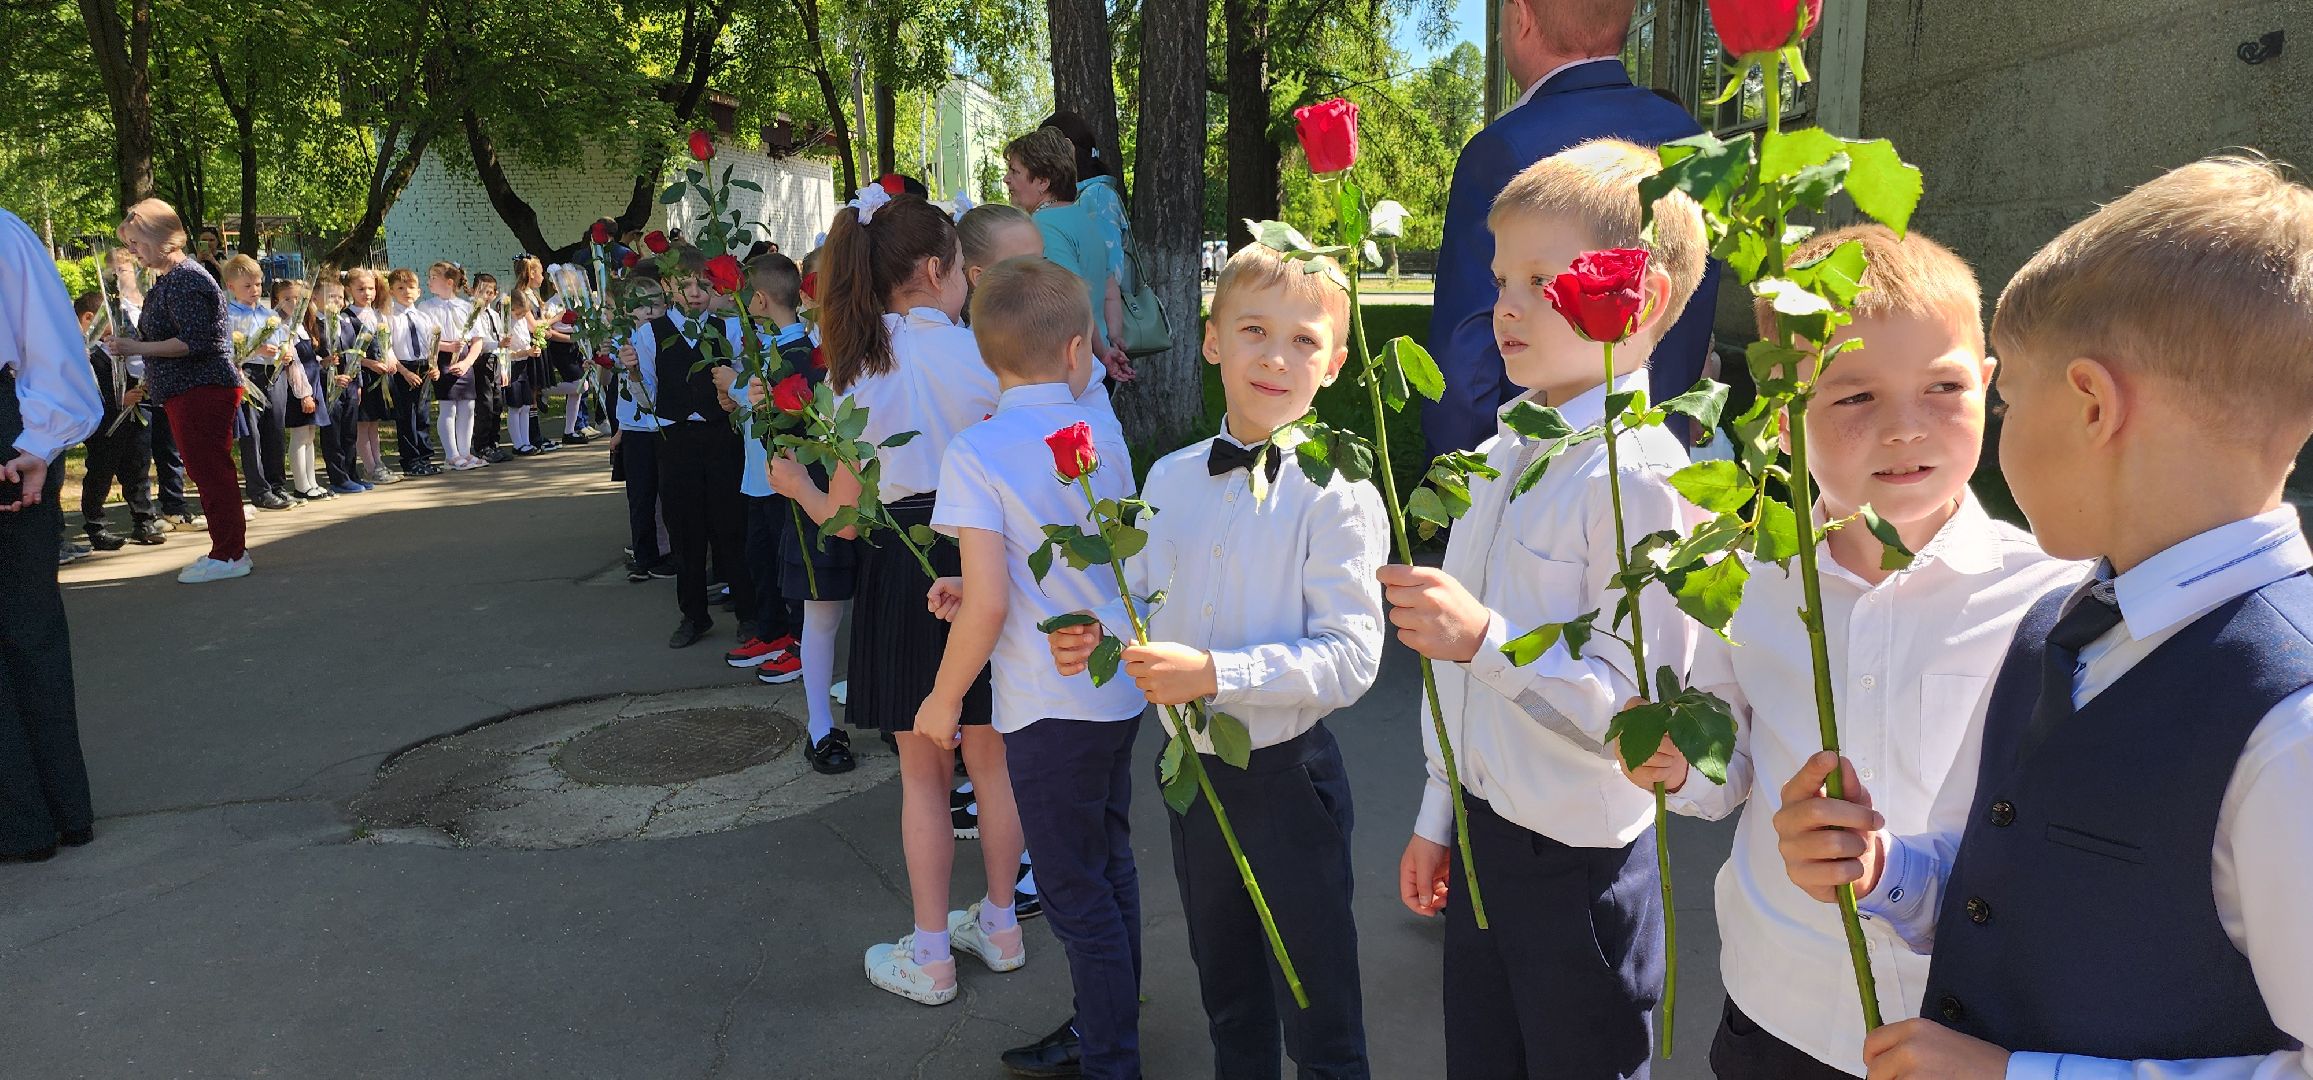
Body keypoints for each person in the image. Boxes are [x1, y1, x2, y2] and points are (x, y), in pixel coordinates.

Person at [1776, 156, 2313, 1080]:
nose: (1997, 432)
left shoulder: (2288, 725)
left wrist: (2014, 1076)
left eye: (2007, 401)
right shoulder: (2060, 628)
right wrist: (1887, 868)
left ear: (2092, 404)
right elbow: (2017, 883)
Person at [1619, 225, 2083, 1078]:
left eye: (1942, 387)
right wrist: (1679, 766)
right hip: (1773, 1007)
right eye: (1853, 398)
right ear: (1783, 423)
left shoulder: (2052, 597)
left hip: (1950, 1026)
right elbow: (1729, 773)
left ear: (1989, 388)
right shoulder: (1749, 583)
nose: (1906, 430)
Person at [1381, 139, 1708, 1077]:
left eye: (1536, 278)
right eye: (1499, 278)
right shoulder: (1506, 449)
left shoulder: (1641, 484)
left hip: (1578, 875)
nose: (1504, 306)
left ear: (1634, 297)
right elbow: (1460, 686)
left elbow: (1637, 725)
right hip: (1488, 839)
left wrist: (1483, 639)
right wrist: (1439, 812)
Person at [1043, 243, 1387, 1079]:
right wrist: (1092, 632)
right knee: (1227, 993)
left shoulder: (1337, 494)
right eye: (1254, 331)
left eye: (1304, 341)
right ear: (1211, 341)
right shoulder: (1168, 479)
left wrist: (1217, 674)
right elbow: (1145, 604)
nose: (1275, 357)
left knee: (1317, 1006)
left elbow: (1351, 657)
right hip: (1193, 777)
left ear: (1335, 364)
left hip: (1286, 780)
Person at [766, 194, 1017, 1008]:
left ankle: (934, 954)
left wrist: (799, 487)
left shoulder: (858, 369)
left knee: (921, 771)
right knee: (991, 758)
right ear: (939, 270)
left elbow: (842, 518)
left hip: (904, 561)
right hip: (987, 558)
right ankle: (1004, 925)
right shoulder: (985, 351)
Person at [912, 256, 1139, 1064]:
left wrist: (943, 699)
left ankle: (1110, 1053)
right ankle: (1108, 1029)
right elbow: (1068, 558)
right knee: (1108, 870)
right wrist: (967, 584)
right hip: (1117, 690)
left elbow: (994, 602)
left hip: (1047, 705)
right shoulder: (1100, 431)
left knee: (1078, 893)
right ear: (1077, 350)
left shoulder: (977, 449)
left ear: (982, 353)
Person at [1424, 0, 1718, 461]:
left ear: (1520, 15)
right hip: (1660, 453)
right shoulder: (1694, 142)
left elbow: (1466, 347)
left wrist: (1460, 482)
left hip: (1531, 468)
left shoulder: (1503, 147)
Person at [0, 206, 102, 863]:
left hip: (10, 429)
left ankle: (40, 816)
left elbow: (50, 345)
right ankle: (39, 815)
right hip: (14, 427)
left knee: (27, 623)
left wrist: (37, 440)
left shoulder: (4, 231)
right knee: (27, 625)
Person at [104, 198, 252, 583]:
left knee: (211, 470)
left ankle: (230, 554)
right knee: (206, 470)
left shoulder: (187, 278)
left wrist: (136, 348)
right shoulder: (171, 279)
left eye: (136, 241)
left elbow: (193, 342)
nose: (133, 251)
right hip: (187, 388)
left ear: (158, 238)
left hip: (202, 387)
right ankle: (227, 549)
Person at [616, 245, 753, 648]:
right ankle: (693, 614)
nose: (695, 292)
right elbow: (646, 399)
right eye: (685, 284)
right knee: (684, 530)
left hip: (721, 436)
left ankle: (748, 610)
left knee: (732, 525)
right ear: (666, 286)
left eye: (703, 284)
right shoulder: (649, 333)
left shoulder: (728, 329)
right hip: (676, 439)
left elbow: (742, 384)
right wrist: (634, 372)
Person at [723, 251, 807, 682]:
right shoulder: (769, 344)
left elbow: (780, 408)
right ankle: (772, 630)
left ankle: (799, 638)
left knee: (786, 561)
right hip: (759, 474)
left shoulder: (795, 349)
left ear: (759, 300)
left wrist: (732, 391)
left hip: (783, 477)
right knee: (760, 556)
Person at [1003, 128, 1131, 381]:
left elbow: (1074, 299)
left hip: (1071, 368)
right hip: (1092, 360)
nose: (1007, 179)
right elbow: (1109, 289)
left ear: (1043, 181)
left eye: (1015, 171)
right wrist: (1111, 339)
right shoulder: (1083, 217)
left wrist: (1102, 352)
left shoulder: (1044, 225)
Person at [1039, 111, 1138, 383]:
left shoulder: (1096, 196)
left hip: (1100, 338)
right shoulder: (1083, 197)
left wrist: (1108, 340)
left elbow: (1109, 272)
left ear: (1067, 148)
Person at [73, 291, 165, 549]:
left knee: (137, 468)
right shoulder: (84, 353)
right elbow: (87, 390)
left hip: (134, 416)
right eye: (111, 317)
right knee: (101, 472)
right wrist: (118, 401)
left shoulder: (121, 346)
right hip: (104, 424)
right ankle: (95, 525)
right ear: (90, 319)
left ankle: (144, 520)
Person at [222, 255, 295, 510]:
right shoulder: (228, 315)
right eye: (247, 286)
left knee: (275, 429)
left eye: (257, 285)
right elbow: (227, 349)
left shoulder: (267, 313)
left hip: (273, 374)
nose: (254, 291)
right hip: (247, 374)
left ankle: (277, 484)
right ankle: (259, 489)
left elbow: (281, 341)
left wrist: (285, 352)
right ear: (231, 287)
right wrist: (254, 352)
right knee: (251, 433)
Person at [270, 278, 332, 501]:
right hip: (299, 387)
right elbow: (293, 364)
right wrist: (303, 394)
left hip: (312, 383)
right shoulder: (282, 327)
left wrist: (323, 361)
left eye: (298, 298)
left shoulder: (303, 327)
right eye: (288, 299)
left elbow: (309, 357)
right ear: (277, 301)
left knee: (310, 435)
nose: (294, 303)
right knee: (299, 435)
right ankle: (301, 484)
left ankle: (312, 481)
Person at [310, 279, 371, 496]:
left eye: (339, 297)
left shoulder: (346, 322)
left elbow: (356, 353)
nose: (336, 301)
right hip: (329, 387)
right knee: (333, 434)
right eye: (330, 297)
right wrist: (329, 374)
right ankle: (338, 477)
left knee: (349, 433)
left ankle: (352, 472)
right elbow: (313, 358)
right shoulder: (313, 325)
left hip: (351, 385)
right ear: (315, 299)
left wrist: (358, 382)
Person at [345, 267, 399, 485]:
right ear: (349, 289)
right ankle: (369, 466)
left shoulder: (377, 314)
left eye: (370, 288)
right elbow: (346, 351)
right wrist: (368, 363)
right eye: (361, 289)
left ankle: (378, 462)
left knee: (373, 423)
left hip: (379, 375)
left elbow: (386, 343)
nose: (367, 293)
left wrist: (390, 359)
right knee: (362, 424)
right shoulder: (346, 317)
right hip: (362, 375)